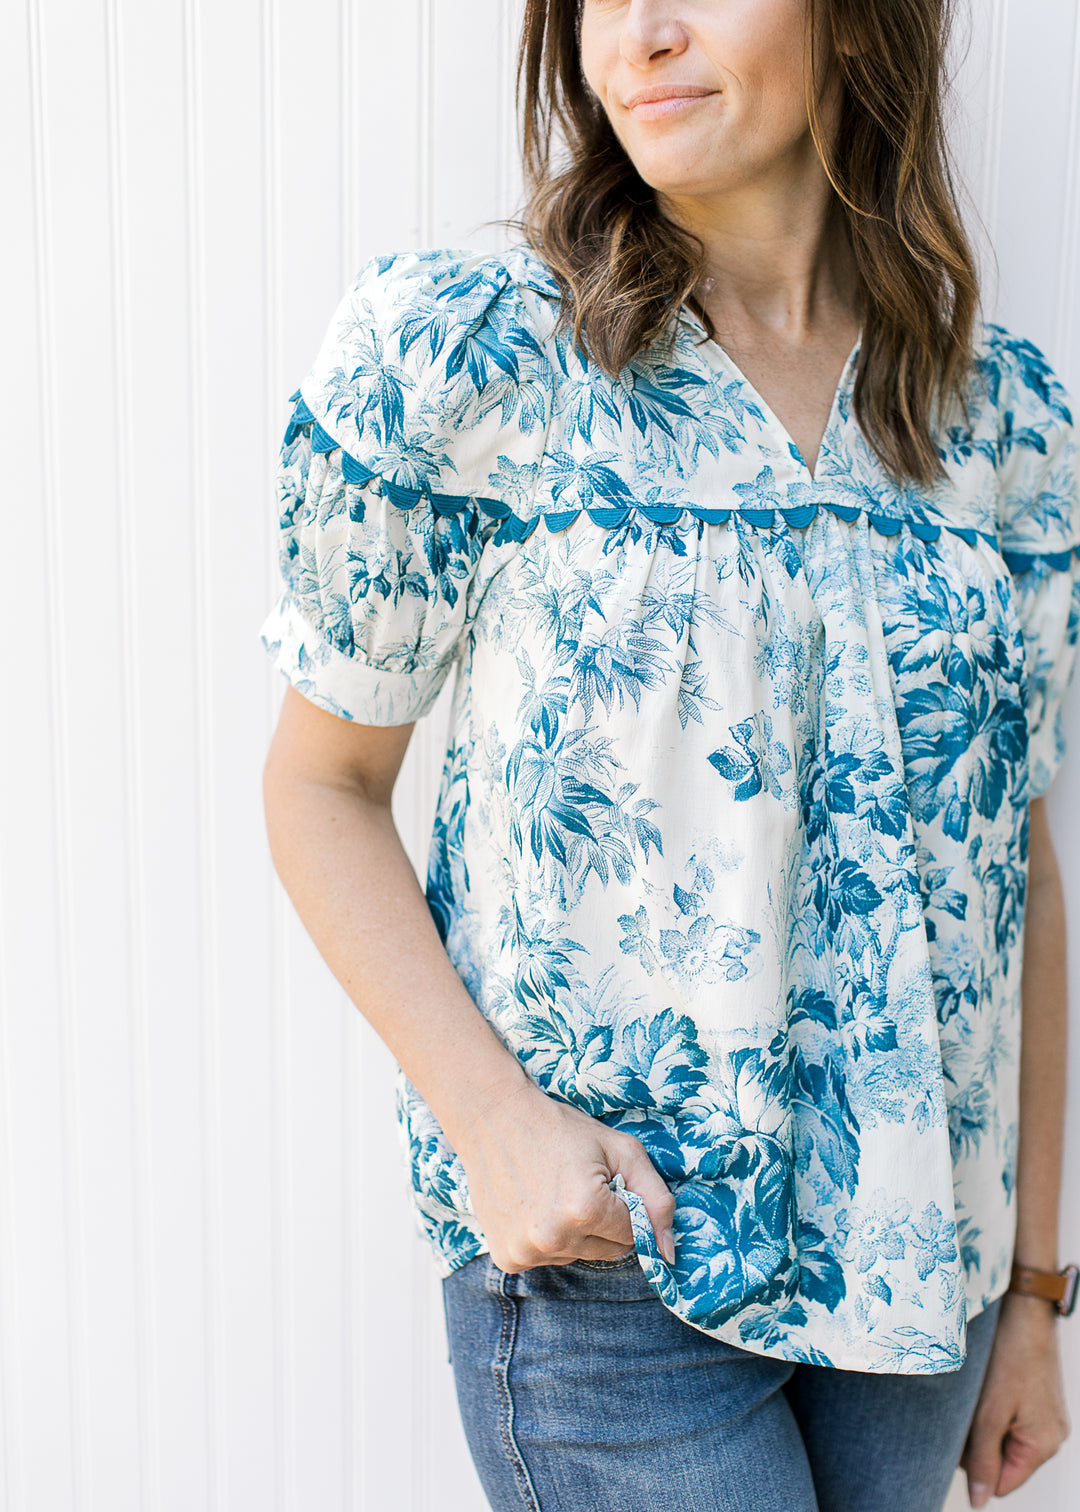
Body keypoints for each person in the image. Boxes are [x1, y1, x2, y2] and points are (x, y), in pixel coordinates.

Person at [260, 1, 1079, 1508]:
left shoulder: (999, 411)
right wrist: (496, 1126)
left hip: (924, 1274)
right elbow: (321, 784)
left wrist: (1035, 1286)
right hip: (615, 1272)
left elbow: (1012, 861)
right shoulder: (470, 350)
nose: (636, 34)